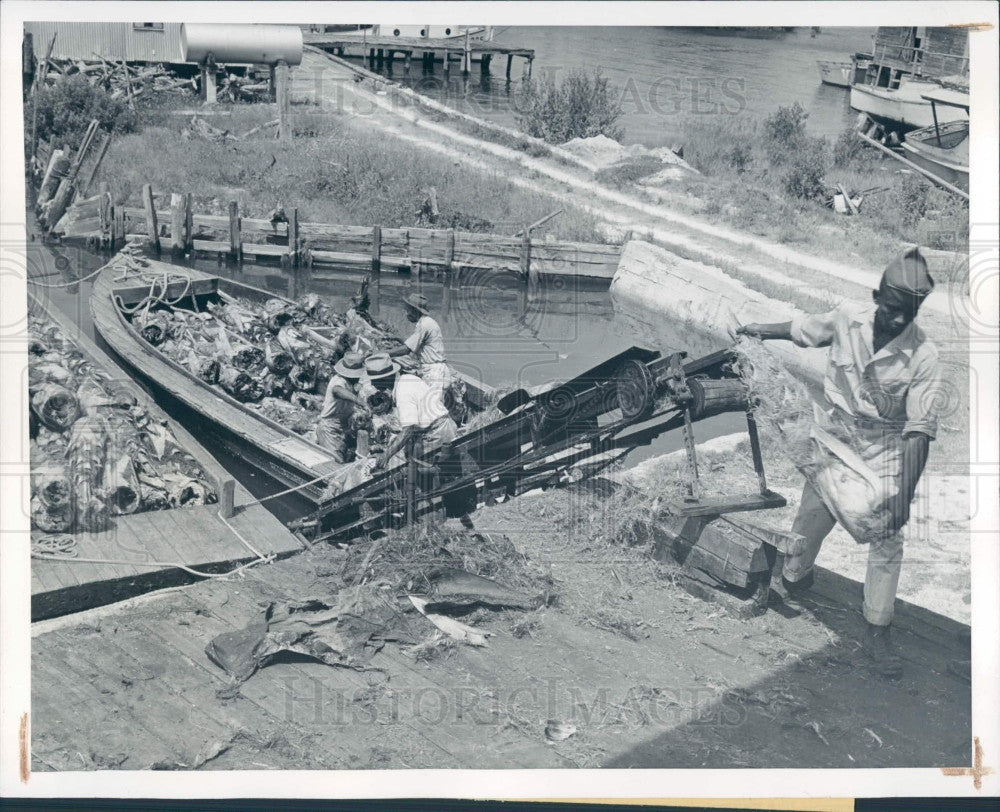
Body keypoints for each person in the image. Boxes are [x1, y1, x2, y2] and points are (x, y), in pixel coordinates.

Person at [736, 246, 942, 679]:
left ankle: (877, 628)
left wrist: (903, 499)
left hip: (882, 448)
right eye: (892, 309)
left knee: (887, 534)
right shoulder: (846, 319)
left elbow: (919, 432)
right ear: (876, 296)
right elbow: (802, 329)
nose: (899, 321)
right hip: (833, 437)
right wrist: (757, 331)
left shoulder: (925, 357)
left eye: (910, 312)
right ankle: (795, 577)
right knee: (813, 516)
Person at [388, 293, 452, 392]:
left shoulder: (424, 325)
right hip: (436, 370)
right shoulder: (427, 322)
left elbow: (406, 349)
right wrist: (397, 338)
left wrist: (381, 353)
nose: (406, 314)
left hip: (434, 372)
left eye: (408, 310)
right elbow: (413, 344)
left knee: (431, 405)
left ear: (415, 311)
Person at [314, 351, 367, 463]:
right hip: (329, 428)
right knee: (337, 463)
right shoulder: (338, 381)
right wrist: (360, 402)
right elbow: (338, 390)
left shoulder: (351, 383)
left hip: (343, 428)